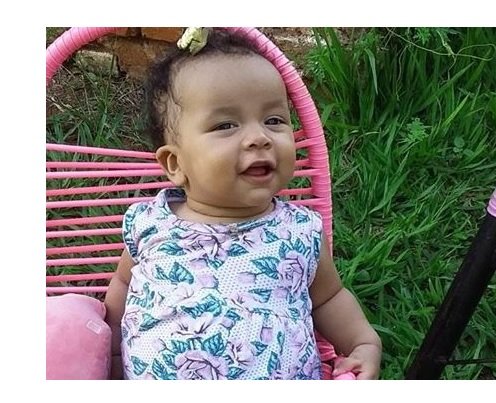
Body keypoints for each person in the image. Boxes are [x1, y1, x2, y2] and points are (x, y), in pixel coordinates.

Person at [104, 27, 382, 380]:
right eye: (226, 125)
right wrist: (112, 355)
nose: (259, 138)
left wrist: (362, 344)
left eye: (274, 120)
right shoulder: (150, 224)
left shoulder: (299, 231)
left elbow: (329, 298)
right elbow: (123, 288)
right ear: (175, 164)